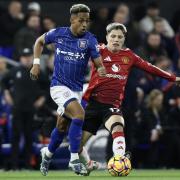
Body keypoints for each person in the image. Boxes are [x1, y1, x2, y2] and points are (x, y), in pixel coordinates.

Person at [39, 22, 180, 175]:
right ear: (107, 37)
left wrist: (173, 78)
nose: (116, 39)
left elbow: (150, 67)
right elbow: (75, 50)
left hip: (111, 105)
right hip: (90, 104)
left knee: (118, 126)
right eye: (113, 36)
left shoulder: (129, 56)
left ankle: (119, 159)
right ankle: (82, 161)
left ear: (123, 39)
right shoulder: (97, 49)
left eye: (120, 37)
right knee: (76, 145)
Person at [30, 4, 106, 176]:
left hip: (76, 90)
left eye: (87, 21)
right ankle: (74, 160)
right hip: (58, 86)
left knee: (62, 126)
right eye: (81, 20)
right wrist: (35, 64)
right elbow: (39, 41)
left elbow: (98, 62)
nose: (85, 24)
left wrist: (101, 68)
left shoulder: (90, 39)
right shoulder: (58, 33)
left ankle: (47, 154)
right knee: (79, 115)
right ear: (72, 20)